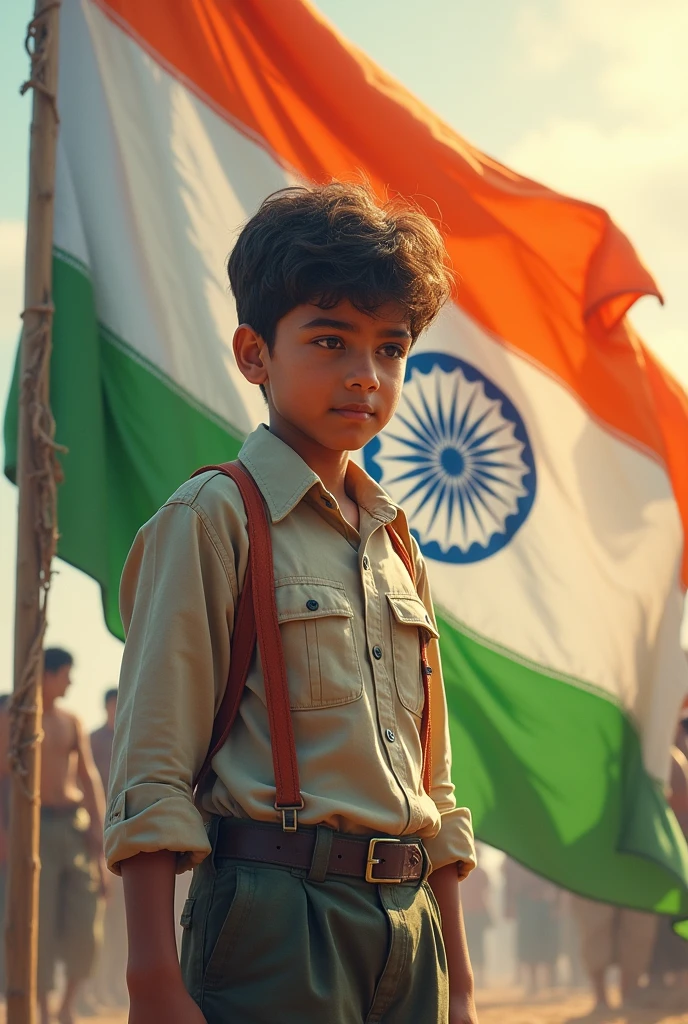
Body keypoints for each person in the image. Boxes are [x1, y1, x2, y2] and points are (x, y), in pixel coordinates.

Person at [105, 181, 478, 1024]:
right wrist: (152, 985)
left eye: (391, 349)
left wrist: (461, 984)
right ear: (254, 354)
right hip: (274, 918)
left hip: (409, 927)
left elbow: (435, 786)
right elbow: (151, 769)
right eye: (330, 340)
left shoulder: (398, 541)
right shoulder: (215, 519)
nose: (365, 375)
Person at [0, 649, 107, 1024]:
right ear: (48, 675)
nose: (71, 681)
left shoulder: (70, 721)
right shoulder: (13, 718)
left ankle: (65, 1008)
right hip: (31, 828)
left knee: (86, 919)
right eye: (66, 674)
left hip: (73, 828)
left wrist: (99, 828)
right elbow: (1, 777)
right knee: (37, 922)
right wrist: (3, 833)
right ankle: (43, 1012)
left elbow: (88, 777)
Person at [89, 689, 128, 1009]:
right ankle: (94, 988)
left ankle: (114, 986)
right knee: (98, 920)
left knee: (121, 925)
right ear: (107, 706)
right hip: (96, 839)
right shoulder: (94, 741)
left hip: (123, 835)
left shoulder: (131, 739)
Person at [504, 859, 558, 996]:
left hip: (544, 905)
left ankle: (550, 980)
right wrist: (510, 904)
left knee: (547, 942)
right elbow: (510, 882)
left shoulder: (545, 857)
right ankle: (533, 983)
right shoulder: (516, 860)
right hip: (526, 905)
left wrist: (554, 903)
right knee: (528, 944)